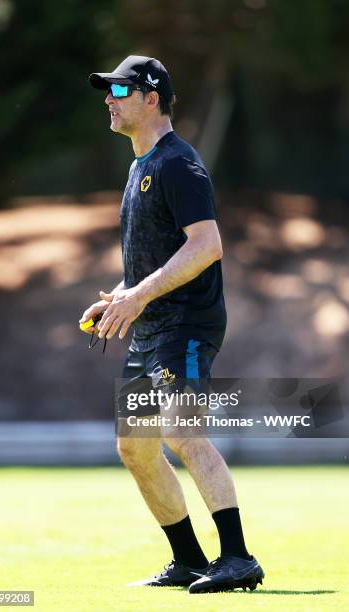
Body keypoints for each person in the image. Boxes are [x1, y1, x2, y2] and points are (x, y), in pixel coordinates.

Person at [80, 55, 264, 594]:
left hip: (186, 323)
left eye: (119, 89)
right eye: (106, 89)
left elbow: (207, 246)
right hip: (151, 324)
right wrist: (118, 297)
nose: (108, 99)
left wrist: (135, 296)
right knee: (134, 446)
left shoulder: (178, 163)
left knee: (182, 430)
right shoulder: (140, 165)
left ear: (151, 96)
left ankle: (238, 558)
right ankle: (188, 559)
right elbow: (152, 258)